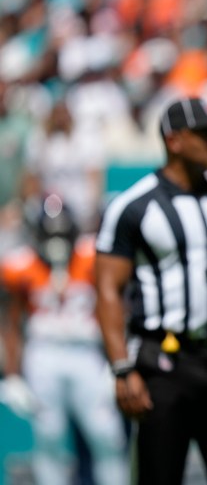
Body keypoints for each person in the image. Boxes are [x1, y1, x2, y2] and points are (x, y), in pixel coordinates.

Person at [93, 98, 207, 485]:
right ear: (175, 140)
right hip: (161, 367)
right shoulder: (134, 206)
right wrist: (121, 368)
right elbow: (108, 291)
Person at [0, 194, 127, 485]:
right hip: (43, 353)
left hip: (87, 352)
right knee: (49, 437)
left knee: (106, 434)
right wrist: (12, 374)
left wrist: (116, 360)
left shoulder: (90, 257)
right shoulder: (21, 265)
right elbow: (11, 322)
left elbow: (116, 309)